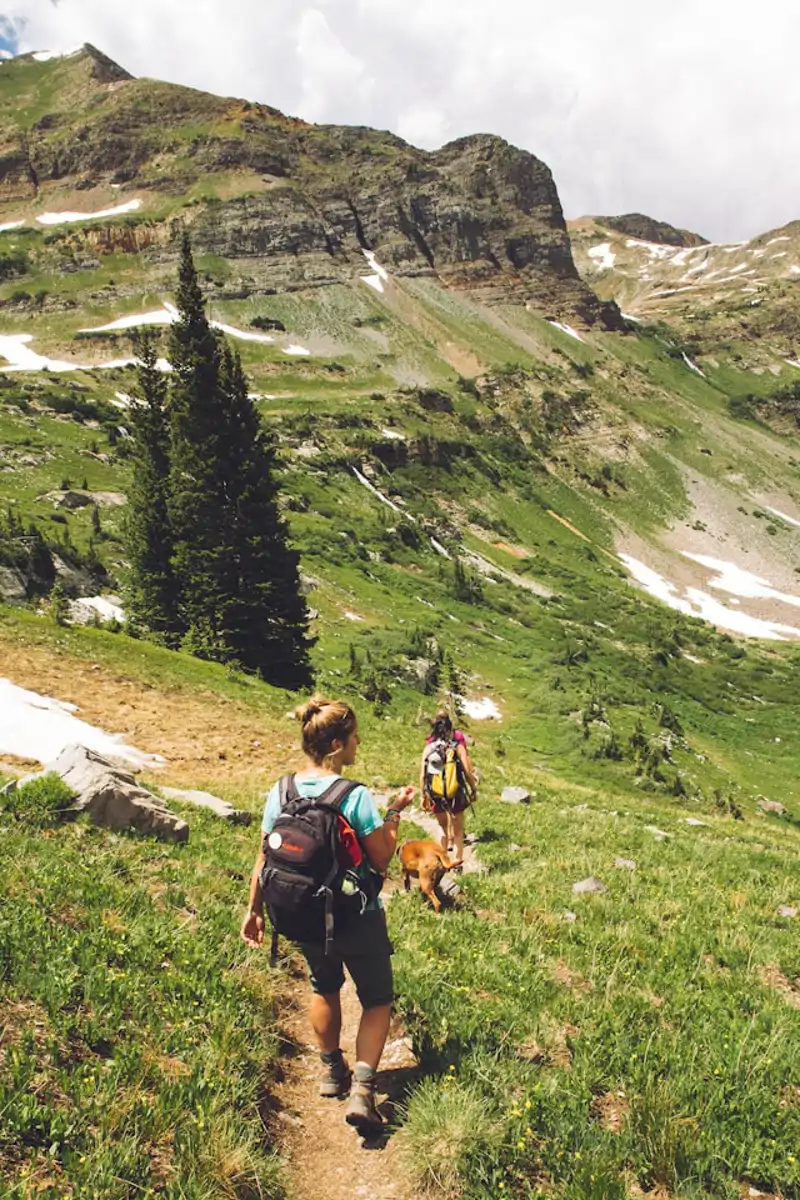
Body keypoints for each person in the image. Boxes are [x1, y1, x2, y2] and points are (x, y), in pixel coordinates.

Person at [241, 696, 414, 1136]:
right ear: (337, 744)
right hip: (356, 914)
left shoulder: (281, 791)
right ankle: (362, 1088)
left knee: (324, 986)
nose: (358, 743)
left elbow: (264, 855)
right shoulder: (353, 796)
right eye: (354, 737)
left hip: (301, 913)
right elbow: (380, 858)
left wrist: (253, 910)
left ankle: (331, 1071)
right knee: (376, 999)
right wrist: (393, 812)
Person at [419, 710, 476, 864]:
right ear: (451, 730)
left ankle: (442, 862)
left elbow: (423, 775)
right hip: (455, 792)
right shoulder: (457, 747)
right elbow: (466, 771)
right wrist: (473, 789)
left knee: (442, 827)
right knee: (458, 832)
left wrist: (423, 796)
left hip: (435, 793)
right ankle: (457, 863)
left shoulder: (428, 748)